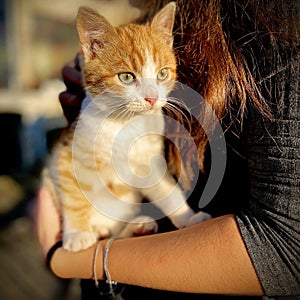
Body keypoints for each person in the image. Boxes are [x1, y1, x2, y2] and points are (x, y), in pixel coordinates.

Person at [35, 0, 300, 299]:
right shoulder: (154, 23)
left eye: (162, 76)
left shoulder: (281, 33)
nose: (151, 97)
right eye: (128, 77)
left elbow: (284, 249)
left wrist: (66, 261)